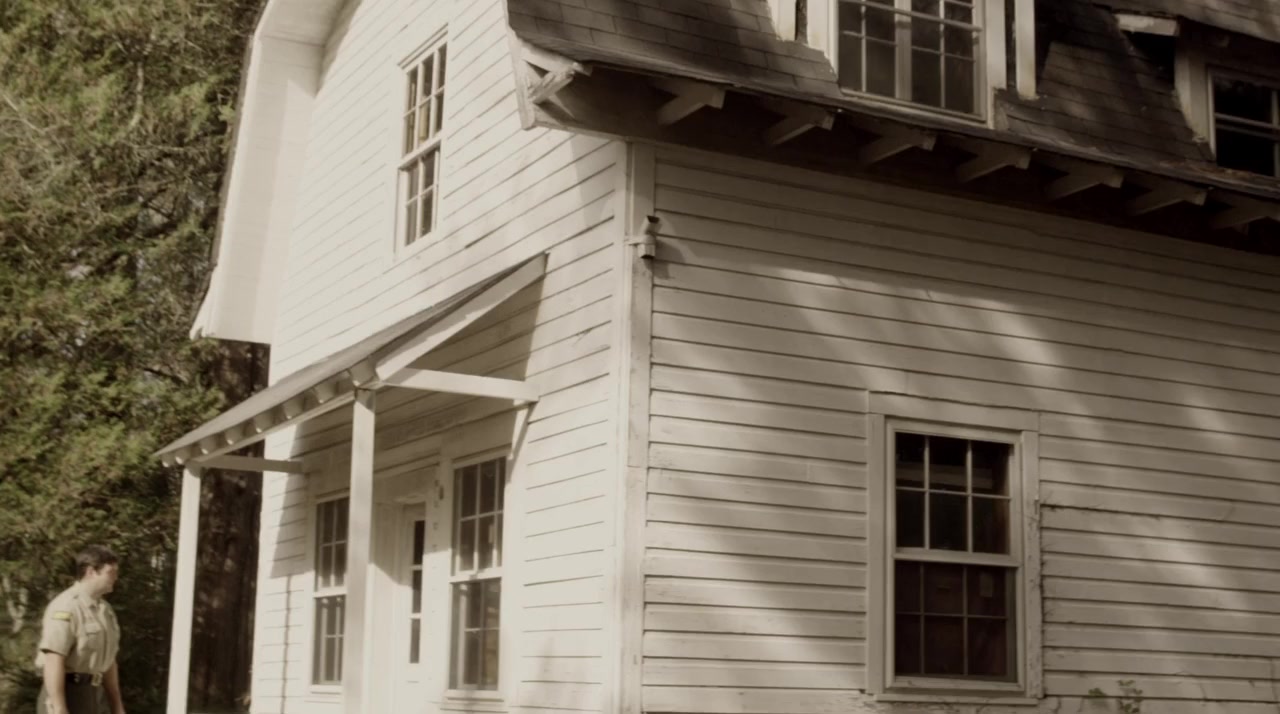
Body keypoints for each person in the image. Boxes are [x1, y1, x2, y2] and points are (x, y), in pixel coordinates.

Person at [34, 545, 125, 714]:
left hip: (93, 696)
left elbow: (108, 661)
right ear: (91, 572)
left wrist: (117, 707)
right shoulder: (66, 607)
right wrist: (59, 708)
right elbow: (54, 659)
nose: (115, 577)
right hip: (67, 693)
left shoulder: (105, 611)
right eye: (110, 572)